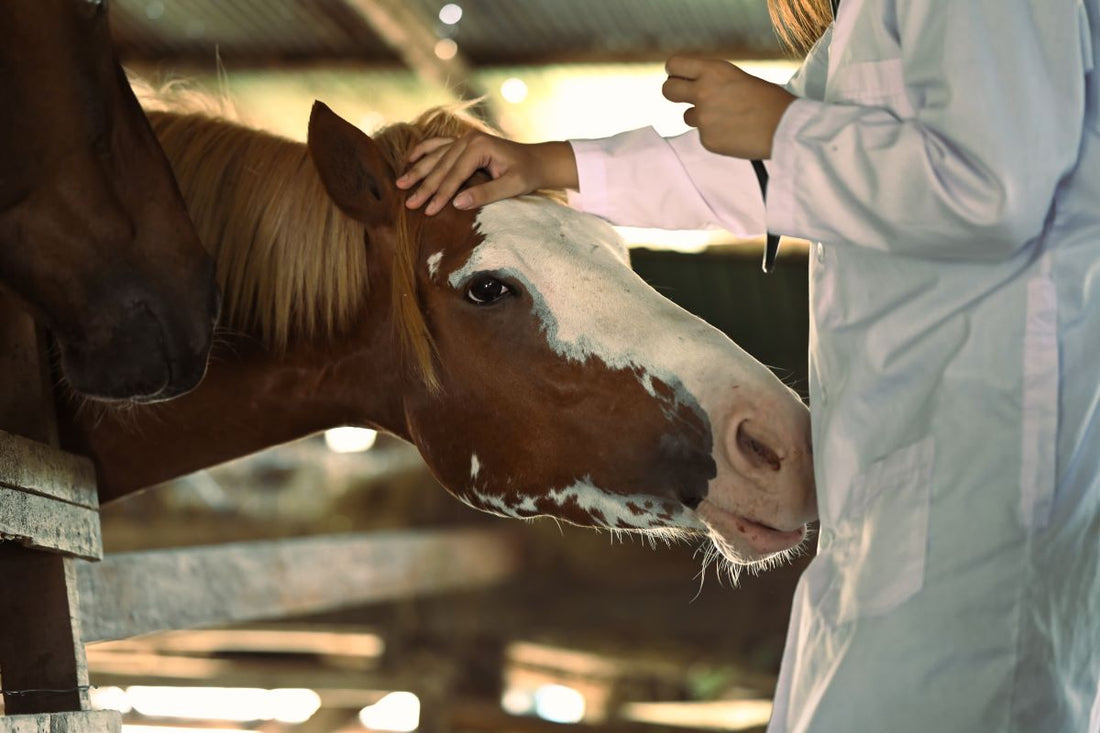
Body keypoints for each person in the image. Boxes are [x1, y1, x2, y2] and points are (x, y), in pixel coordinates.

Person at [398, 0, 1100, 730]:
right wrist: (550, 163)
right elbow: (778, 172)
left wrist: (785, 128)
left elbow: (995, 186)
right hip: (903, 470)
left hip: (981, 465)